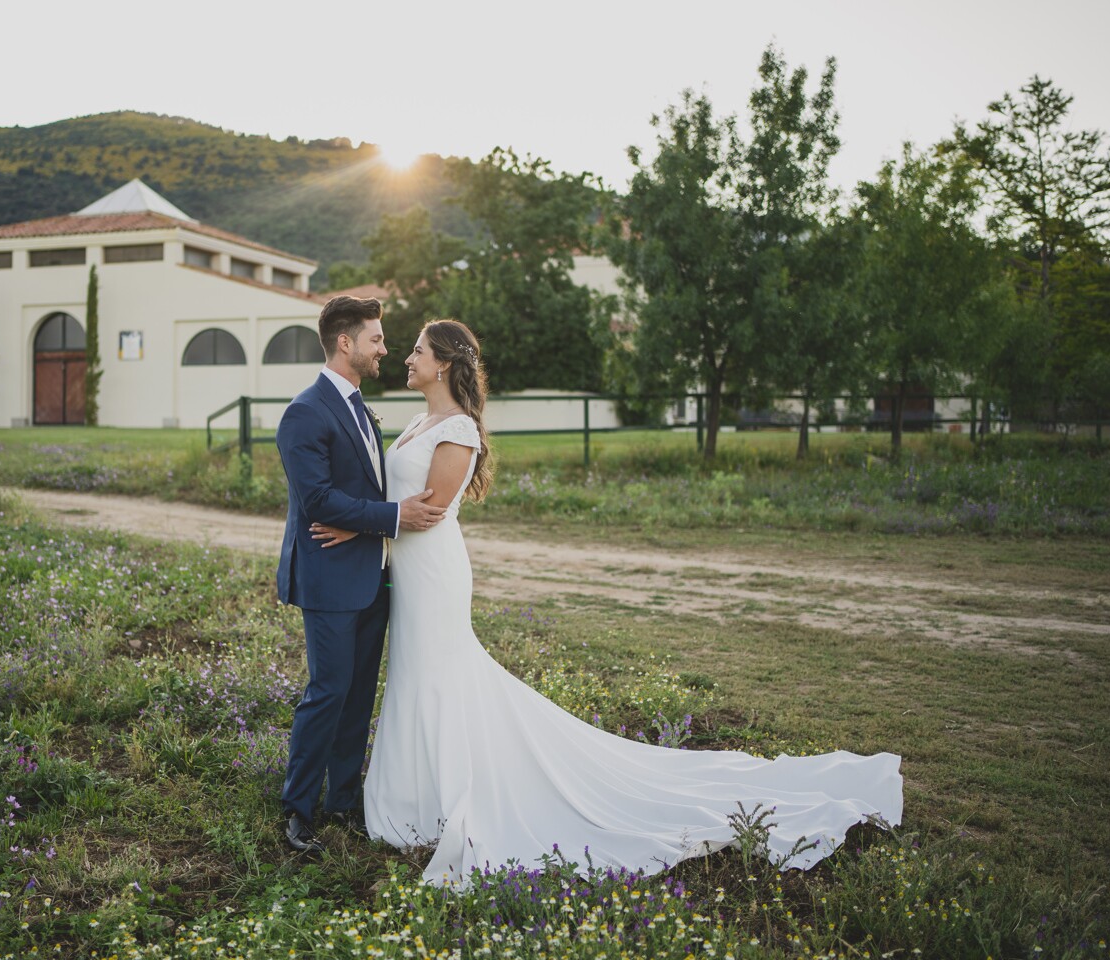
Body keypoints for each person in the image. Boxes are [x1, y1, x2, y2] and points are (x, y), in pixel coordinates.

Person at [315, 319, 903, 886]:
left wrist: (359, 528)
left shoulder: (459, 429)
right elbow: (393, 502)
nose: (407, 357)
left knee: (441, 674)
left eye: (417, 349)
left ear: (443, 363)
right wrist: (361, 521)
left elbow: (428, 513)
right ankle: (418, 794)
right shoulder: (420, 421)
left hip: (435, 572)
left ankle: (448, 795)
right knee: (417, 675)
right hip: (408, 574)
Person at [274, 295, 447, 854]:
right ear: (345, 343)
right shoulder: (305, 411)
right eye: (376, 339)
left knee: (357, 699)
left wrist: (371, 525)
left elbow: (366, 491)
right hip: (329, 579)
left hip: (375, 577)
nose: (385, 350)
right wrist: (393, 518)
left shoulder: (360, 409)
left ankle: (344, 803)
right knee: (327, 693)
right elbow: (318, 498)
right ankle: (298, 811)